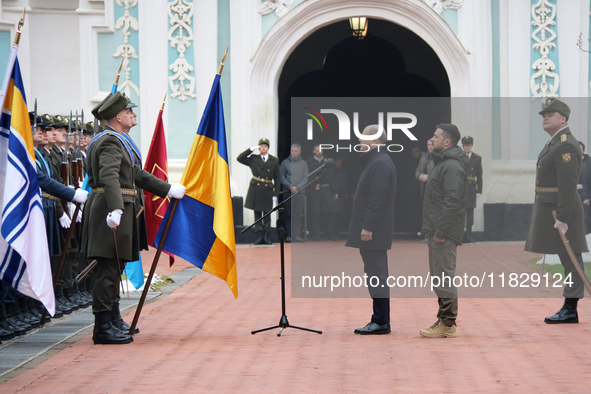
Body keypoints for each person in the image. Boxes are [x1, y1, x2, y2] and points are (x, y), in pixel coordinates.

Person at [81, 92, 186, 345]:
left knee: (115, 267)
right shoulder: (110, 141)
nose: (134, 114)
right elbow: (109, 176)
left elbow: (135, 173)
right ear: (118, 116)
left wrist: (167, 188)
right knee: (107, 267)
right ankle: (102, 327)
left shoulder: (117, 140)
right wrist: (116, 208)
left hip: (118, 208)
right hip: (111, 208)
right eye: (130, 111)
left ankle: (113, 318)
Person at [525, 98, 588, 324]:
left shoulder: (566, 144)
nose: (544, 117)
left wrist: (562, 217)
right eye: (543, 115)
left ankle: (570, 308)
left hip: (562, 211)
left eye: (549, 114)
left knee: (571, 258)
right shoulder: (554, 143)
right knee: (567, 258)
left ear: (563, 119)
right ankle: (569, 306)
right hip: (550, 208)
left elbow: (568, 184)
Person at [346, 125, 397, 335]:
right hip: (373, 231)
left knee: (376, 274)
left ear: (375, 141)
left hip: (373, 232)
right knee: (374, 274)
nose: (359, 142)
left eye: (363, 139)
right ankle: (380, 319)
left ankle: (381, 321)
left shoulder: (380, 163)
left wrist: (368, 226)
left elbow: (377, 200)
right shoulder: (376, 161)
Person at [420, 123, 467, 338]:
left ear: (447, 142)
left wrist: (440, 231)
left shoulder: (452, 167)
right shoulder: (442, 163)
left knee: (444, 276)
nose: (432, 139)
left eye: (436, 136)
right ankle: (444, 319)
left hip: (444, 232)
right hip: (438, 229)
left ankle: (448, 324)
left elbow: (452, 202)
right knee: (438, 276)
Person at [237, 138, 281, 245]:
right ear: (258, 148)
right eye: (261, 146)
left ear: (268, 148)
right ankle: (258, 237)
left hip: (267, 190)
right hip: (256, 189)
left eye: (265, 146)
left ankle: (266, 237)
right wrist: (250, 150)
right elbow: (240, 158)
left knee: (267, 214)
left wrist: (276, 194)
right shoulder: (253, 158)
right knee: (257, 214)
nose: (263, 148)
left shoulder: (274, 160)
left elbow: (278, 178)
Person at [280, 143, 308, 243]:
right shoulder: (284, 163)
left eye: (295, 151)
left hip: (300, 192)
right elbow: (281, 177)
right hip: (288, 191)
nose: (293, 153)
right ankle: (289, 235)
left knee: (298, 214)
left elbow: (306, 177)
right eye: (292, 151)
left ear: (299, 152)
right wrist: (291, 187)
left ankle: (296, 235)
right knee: (288, 214)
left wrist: (298, 187)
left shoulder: (304, 163)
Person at [461, 136, 483, 243]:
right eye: (465, 146)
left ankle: (469, 234)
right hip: (461, 188)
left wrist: (479, 190)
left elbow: (479, 175)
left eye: (468, 145)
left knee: (470, 212)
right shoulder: (459, 157)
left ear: (471, 146)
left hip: (471, 188)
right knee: (460, 212)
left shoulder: (477, 158)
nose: (467, 148)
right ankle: (460, 234)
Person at [306, 145, 326, 240]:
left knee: (328, 210)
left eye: (321, 150)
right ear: (313, 151)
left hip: (327, 188)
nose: (319, 152)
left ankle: (329, 233)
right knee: (315, 212)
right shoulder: (308, 162)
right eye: (317, 150)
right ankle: (316, 234)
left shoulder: (327, 161)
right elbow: (306, 176)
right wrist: (313, 186)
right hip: (314, 189)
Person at [578, 141, 591, 233]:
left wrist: (588, 197)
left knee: (585, 218)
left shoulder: (589, 162)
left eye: (580, 149)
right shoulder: (570, 161)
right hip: (573, 194)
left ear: (584, 150)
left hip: (585, 195)